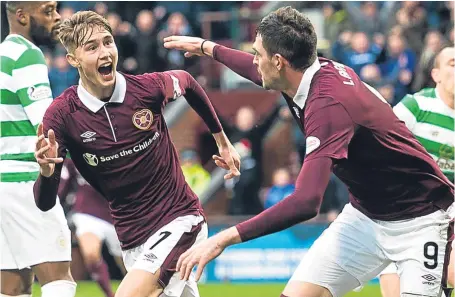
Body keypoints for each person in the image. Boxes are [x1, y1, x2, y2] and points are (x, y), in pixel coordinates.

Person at [163, 6, 454, 297]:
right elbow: (257, 71)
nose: (253, 61)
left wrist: (223, 238)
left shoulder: (327, 105)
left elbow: (306, 202)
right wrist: (208, 47)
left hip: (421, 219)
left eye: (257, 54)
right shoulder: (309, 72)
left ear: (278, 62)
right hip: (366, 216)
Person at [33, 11, 240, 297]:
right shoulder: (62, 115)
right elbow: (45, 203)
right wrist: (46, 172)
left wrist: (222, 141)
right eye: (92, 47)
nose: (105, 52)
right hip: (132, 240)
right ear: (73, 60)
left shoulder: (146, 89)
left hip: (180, 220)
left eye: (108, 42)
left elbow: (189, 82)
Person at [0, 2, 77, 297]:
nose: (56, 17)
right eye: (47, 10)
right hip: (24, 181)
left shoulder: (3, 54)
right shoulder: (27, 55)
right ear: (22, 16)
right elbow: (47, 126)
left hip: (2, 185)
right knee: (59, 279)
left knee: (13, 287)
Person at [379, 46, 455, 297]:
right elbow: (382, 145)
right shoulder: (415, 106)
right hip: (403, 215)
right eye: (452, 63)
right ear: (436, 74)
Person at [60, 159, 126, 297]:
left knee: (128, 267)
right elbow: (64, 187)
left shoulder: (119, 151)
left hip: (118, 215)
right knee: (91, 255)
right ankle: (109, 294)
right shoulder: (76, 154)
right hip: (87, 213)